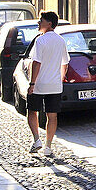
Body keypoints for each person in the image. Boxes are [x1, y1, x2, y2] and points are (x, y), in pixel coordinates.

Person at [26, 11, 68, 157]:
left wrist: (32, 83)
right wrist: (61, 78)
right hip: (55, 85)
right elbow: (65, 64)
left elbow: (36, 63)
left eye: (41, 20)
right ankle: (48, 146)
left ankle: (37, 139)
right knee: (52, 115)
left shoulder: (40, 40)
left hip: (39, 84)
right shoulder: (61, 40)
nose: (38, 23)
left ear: (49, 23)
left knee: (32, 111)